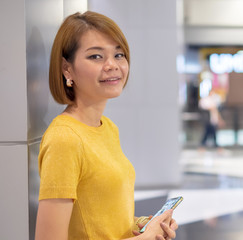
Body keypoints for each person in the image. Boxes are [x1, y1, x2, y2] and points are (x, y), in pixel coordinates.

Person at [35, 11, 177, 240]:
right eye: (96, 57)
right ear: (66, 69)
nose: (112, 65)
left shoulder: (107, 127)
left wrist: (145, 226)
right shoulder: (65, 138)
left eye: (119, 55)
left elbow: (99, 220)